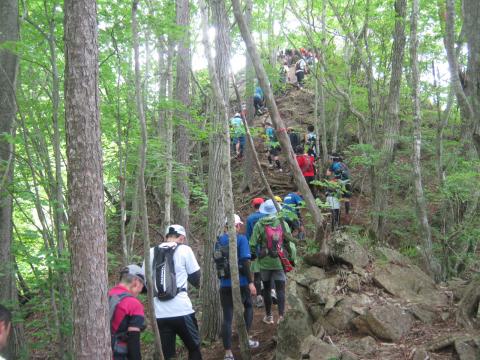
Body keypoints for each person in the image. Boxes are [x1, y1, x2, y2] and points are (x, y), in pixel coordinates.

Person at [146, 225, 202, 360]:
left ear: (166, 237)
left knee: (167, 355)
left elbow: (145, 282)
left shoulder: (151, 252)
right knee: (194, 348)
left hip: (159, 313)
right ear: (182, 238)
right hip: (182, 310)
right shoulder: (185, 250)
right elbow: (196, 279)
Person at [216, 214, 259, 360]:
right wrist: (251, 282)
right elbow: (246, 262)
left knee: (227, 317)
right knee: (248, 307)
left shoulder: (219, 241)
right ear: (238, 226)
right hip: (241, 283)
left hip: (224, 284)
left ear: (225, 226)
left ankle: (228, 353)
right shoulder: (241, 239)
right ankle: (244, 340)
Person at [250, 199, 293, 325]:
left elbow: (252, 243)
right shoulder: (282, 222)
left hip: (264, 262)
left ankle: (269, 316)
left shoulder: (260, 224)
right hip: (279, 260)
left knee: (267, 289)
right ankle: (281, 316)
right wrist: (290, 257)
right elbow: (289, 242)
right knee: (280, 289)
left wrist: (255, 254)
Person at [109, 265, 146, 360]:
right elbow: (133, 342)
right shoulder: (134, 304)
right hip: (118, 355)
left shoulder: (107, 294)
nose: (140, 292)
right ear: (136, 282)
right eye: (142, 287)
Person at [245, 197, 267, 307]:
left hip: (255, 249)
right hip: (267, 249)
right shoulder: (267, 216)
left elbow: (248, 236)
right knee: (268, 272)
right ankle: (271, 293)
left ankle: (259, 297)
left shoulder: (250, 219)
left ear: (254, 206)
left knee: (257, 274)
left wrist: (250, 251)